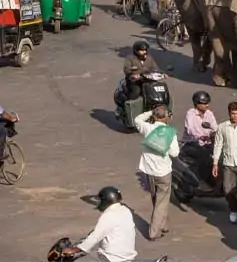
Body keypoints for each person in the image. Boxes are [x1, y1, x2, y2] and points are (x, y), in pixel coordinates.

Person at [134, 106, 180, 241]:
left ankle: (163, 225)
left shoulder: (148, 128)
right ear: (166, 118)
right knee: (162, 201)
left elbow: (137, 119)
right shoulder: (170, 133)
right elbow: (175, 153)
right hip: (163, 172)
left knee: (157, 199)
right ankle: (154, 232)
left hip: (148, 171)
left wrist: (151, 112)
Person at [59, 187, 137, 262]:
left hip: (111, 258)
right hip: (127, 257)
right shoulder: (125, 211)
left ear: (105, 201)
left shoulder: (109, 215)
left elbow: (95, 237)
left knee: (80, 257)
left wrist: (74, 249)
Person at [212, 102, 237, 228]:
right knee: (227, 190)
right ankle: (234, 209)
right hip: (228, 164)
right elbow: (218, 145)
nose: (235, 116)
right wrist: (215, 163)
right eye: (233, 113)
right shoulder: (222, 127)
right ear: (229, 113)